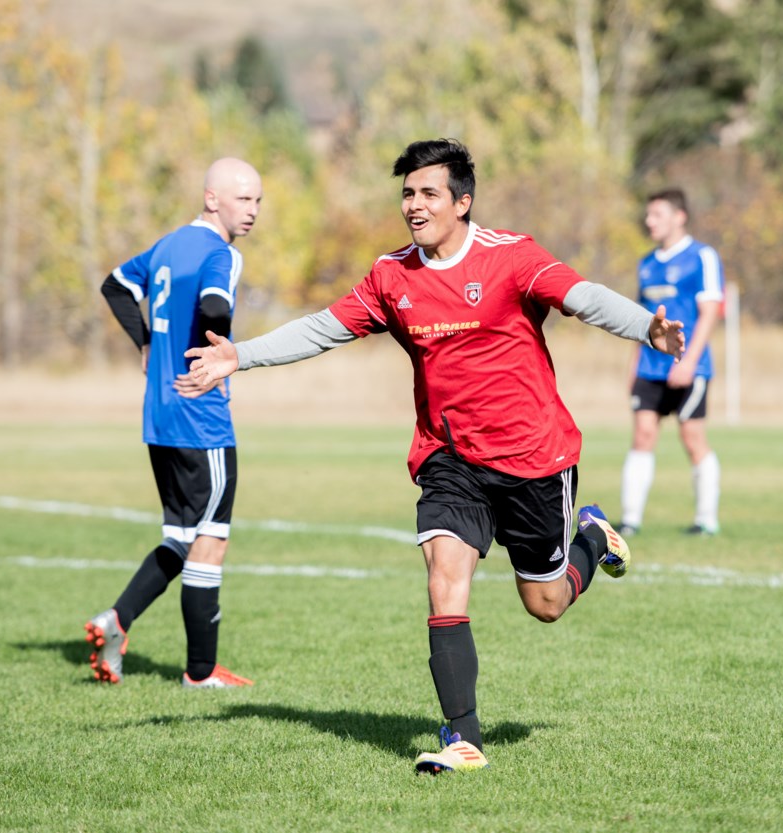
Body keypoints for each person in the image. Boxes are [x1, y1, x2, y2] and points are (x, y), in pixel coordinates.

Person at [184, 139, 684, 769]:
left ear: (462, 202)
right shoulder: (392, 277)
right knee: (444, 579)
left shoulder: (511, 258)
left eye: (428, 194)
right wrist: (240, 355)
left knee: (546, 604)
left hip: (534, 455)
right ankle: (464, 738)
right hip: (450, 458)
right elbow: (321, 329)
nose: (413, 206)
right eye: (407, 194)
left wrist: (647, 327)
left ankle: (594, 539)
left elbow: (582, 295)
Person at [85, 157, 262, 688]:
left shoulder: (164, 248)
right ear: (212, 198)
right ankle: (201, 673)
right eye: (242, 199)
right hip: (200, 418)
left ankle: (115, 622)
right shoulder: (221, 254)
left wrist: (144, 340)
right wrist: (213, 355)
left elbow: (115, 285)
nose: (252, 211)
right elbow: (213, 307)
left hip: (158, 418)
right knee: (211, 539)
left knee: (182, 536)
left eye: (257, 201)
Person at [619, 188, 724, 537]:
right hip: (650, 368)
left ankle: (706, 520)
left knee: (692, 437)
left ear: (679, 216)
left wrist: (689, 361)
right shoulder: (646, 264)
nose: (649, 221)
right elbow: (642, 322)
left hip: (688, 367)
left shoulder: (702, 257)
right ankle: (630, 520)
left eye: (657, 215)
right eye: (648, 215)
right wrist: (634, 367)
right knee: (643, 435)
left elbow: (710, 313)